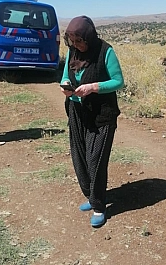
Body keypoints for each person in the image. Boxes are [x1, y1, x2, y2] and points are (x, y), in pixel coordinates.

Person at [60, 16, 124, 228]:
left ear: (89, 36)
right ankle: (90, 195)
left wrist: (93, 87)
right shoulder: (73, 52)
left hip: (101, 114)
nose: (76, 45)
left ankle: (99, 206)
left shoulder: (105, 51)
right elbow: (64, 76)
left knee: (95, 158)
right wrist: (66, 85)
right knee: (79, 155)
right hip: (77, 110)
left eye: (80, 41)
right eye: (72, 41)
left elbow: (118, 81)